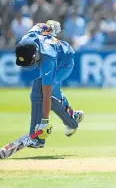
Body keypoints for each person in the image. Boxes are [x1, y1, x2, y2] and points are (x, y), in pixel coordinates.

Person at [15, 20, 84, 148]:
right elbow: (40, 25)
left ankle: (36, 138)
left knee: (40, 90)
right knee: (53, 93)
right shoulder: (27, 39)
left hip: (63, 63)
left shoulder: (48, 59)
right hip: (52, 54)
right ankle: (73, 118)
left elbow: (47, 94)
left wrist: (45, 122)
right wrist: (50, 26)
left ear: (35, 55)